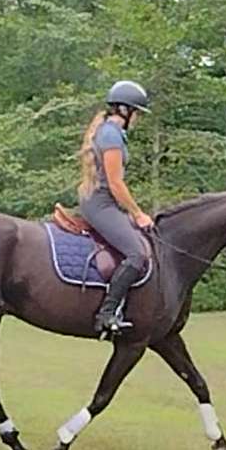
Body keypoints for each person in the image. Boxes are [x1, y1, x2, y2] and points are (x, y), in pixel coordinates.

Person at [78, 80, 153, 335]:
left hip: (100, 203)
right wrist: (138, 213)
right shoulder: (111, 134)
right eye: (138, 114)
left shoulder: (111, 132)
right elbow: (116, 183)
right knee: (137, 254)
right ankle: (107, 313)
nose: (138, 120)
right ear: (125, 110)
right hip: (102, 205)